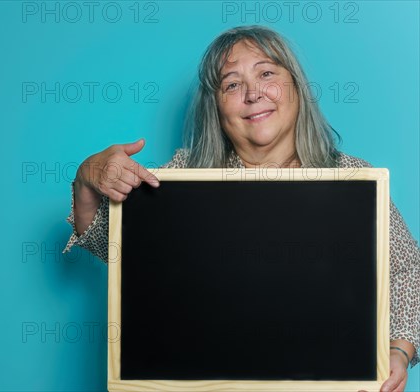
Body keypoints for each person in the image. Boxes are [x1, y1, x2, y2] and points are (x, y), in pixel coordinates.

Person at [62, 25, 419, 391]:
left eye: (266, 73)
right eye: (231, 84)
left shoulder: (353, 178)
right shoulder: (182, 178)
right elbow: (112, 245)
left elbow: (409, 272)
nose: (252, 94)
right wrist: (87, 178)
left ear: (296, 86)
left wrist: (398, 352)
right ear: (216, 106)